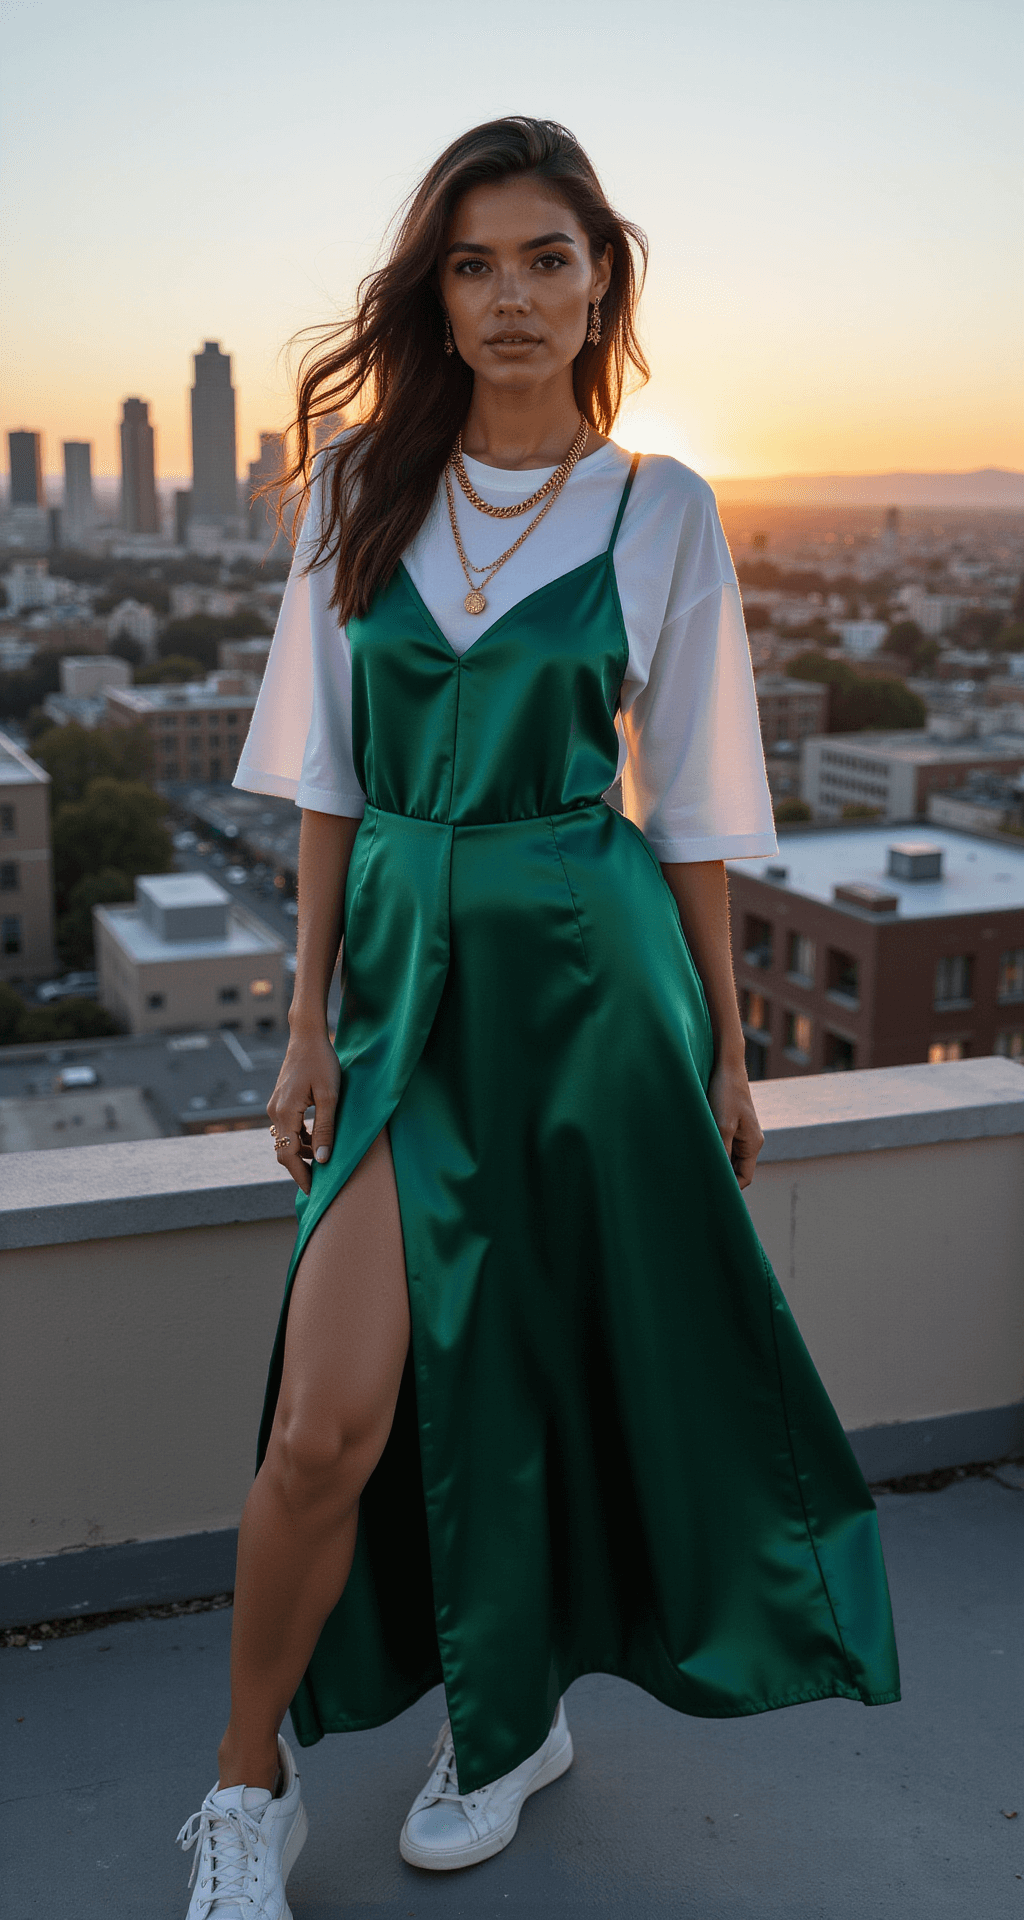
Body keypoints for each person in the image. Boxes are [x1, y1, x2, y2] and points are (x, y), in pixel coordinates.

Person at [177, 116, 900, 1916]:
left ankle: (509, 1725)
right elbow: (332, 781)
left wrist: (731, 1049)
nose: (512, 297)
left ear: (603, 283)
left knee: (554, 1378)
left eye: (548, 260)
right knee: (326, 1423)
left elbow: (709, 804)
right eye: (476, 263)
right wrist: (302, 1024)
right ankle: (244, 1789)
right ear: (438, 289)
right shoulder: (360, 489)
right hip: (406, 983)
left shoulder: (664, 507)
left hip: (594, 988)